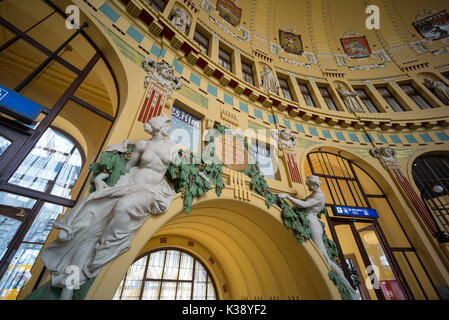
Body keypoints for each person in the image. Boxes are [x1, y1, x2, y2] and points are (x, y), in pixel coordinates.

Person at [42, 115, 179, 300]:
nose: (167, 128)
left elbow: (180, 167)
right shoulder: (142, 145)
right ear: (158, 128)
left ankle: (106, 245)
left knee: (124, 207)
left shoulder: (171, 147)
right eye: (165, 125)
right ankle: (69, 287)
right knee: (87, 235)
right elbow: (127, 168)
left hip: (150, 192)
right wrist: (106, 177)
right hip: (129, 184)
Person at [277, 175, 360, 300]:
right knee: (323, 256)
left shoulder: (319, 195)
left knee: (323, 256)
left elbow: (304, 205)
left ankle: (349, 290)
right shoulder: (315, 193)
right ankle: (350, 290)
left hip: (313, 225)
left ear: (315, 184)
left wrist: (287, 196)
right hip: (310, 223)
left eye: (310, 185)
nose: (309, 187)